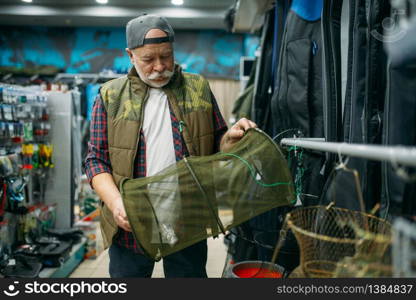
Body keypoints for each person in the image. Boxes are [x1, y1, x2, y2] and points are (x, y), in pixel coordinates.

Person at [84, 13, 257, 278]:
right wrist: (116, 202)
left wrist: (230, 138)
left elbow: (216, 142)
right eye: (148, 59)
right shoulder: (111, 95)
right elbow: (95, 160)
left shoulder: (197, 88)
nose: (159, 66)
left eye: (166, 56)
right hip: (131, 223)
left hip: (186, 220)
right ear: (130, 55)